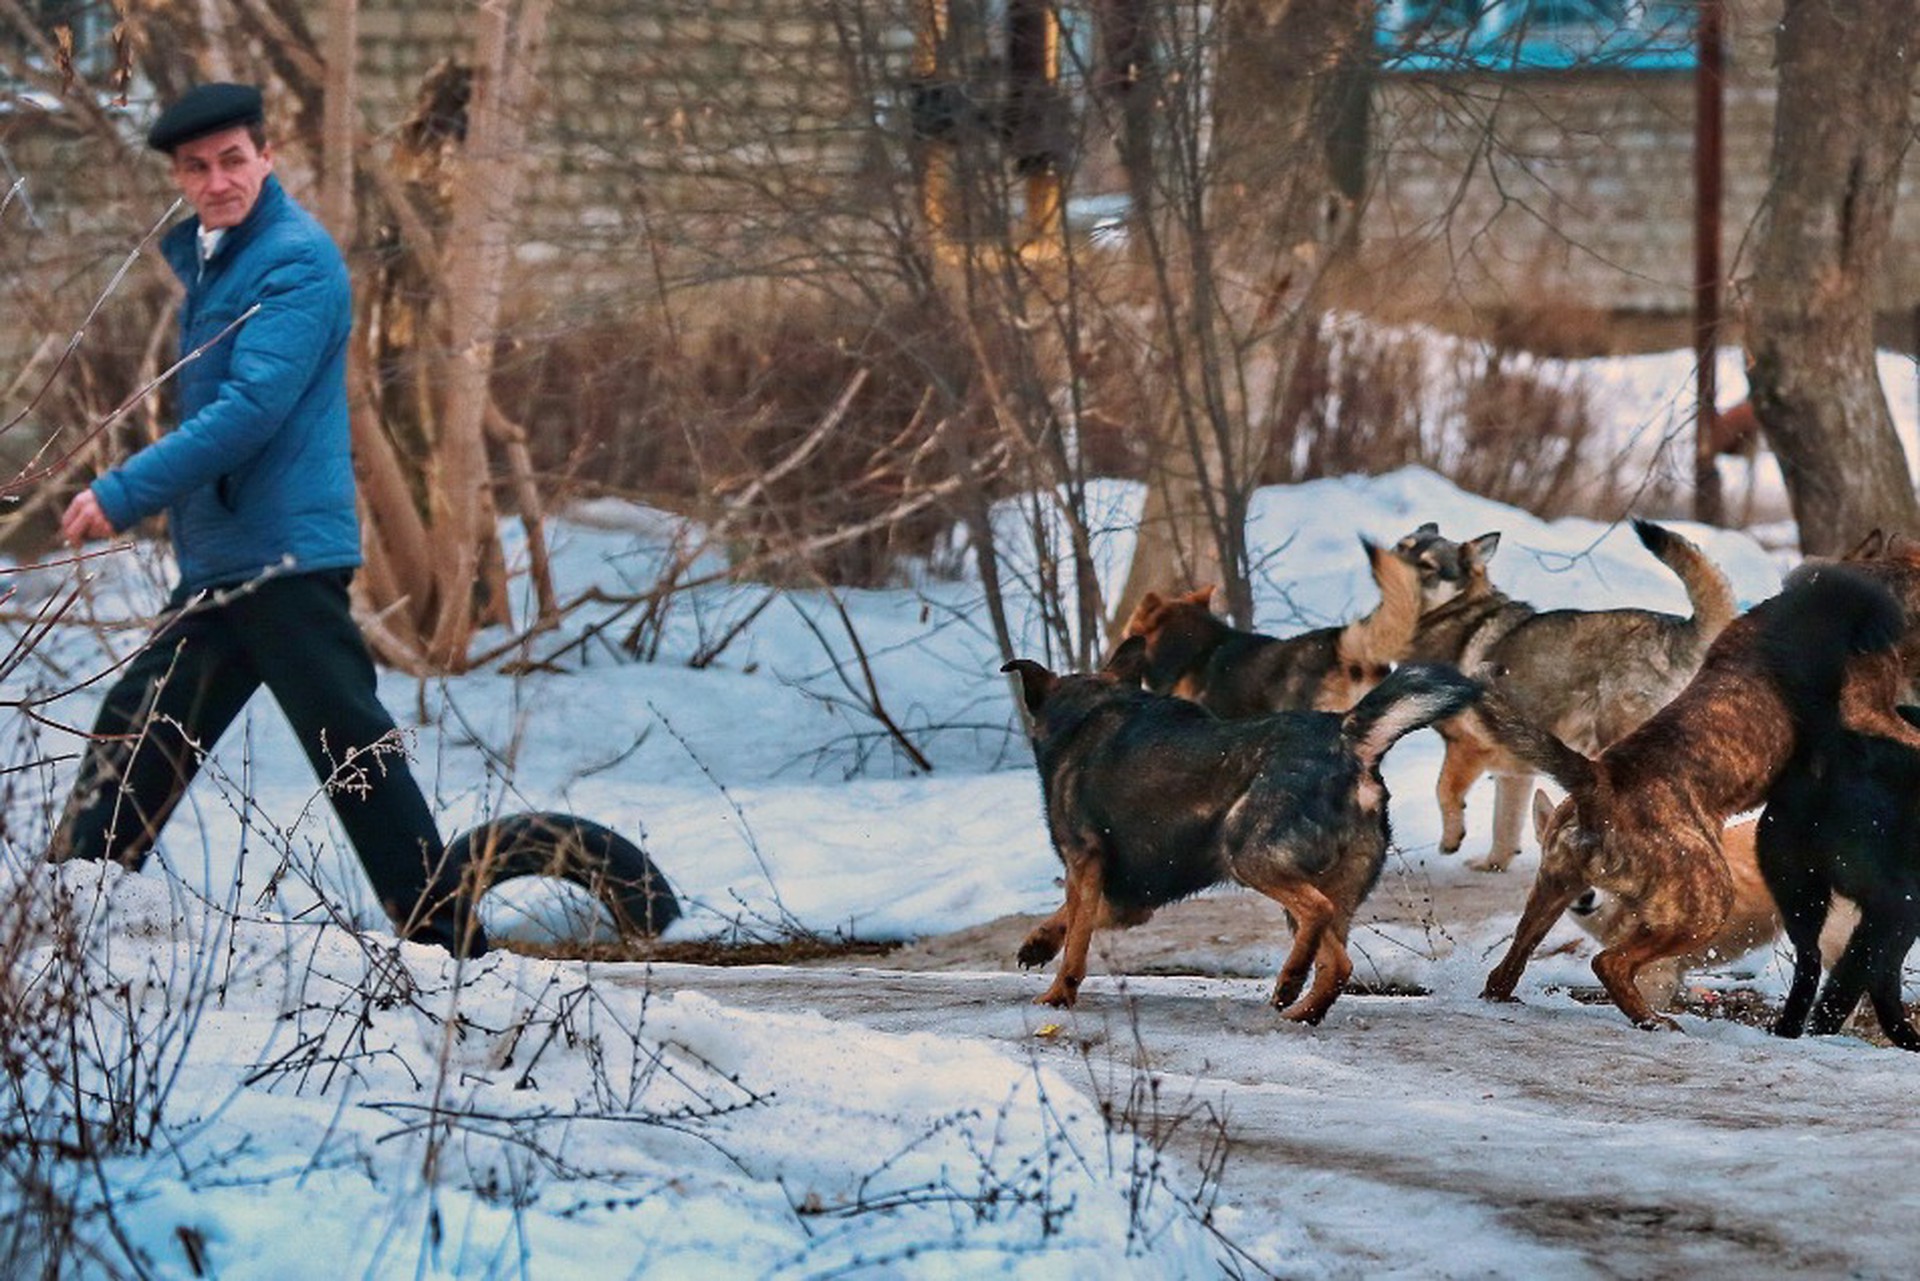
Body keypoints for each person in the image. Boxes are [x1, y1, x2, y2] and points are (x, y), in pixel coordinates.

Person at [52, 82, 488, 958]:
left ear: (266, 156)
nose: (217, 180)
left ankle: (457, 959)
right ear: (179, 175)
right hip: (231, 559)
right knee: (139, 735)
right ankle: (61, 936)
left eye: (233, 160)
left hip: (282, 561)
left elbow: (251, 410)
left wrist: (125, 490)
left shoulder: (292, 260)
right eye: (197, 167)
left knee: (356, 761)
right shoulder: (221, 259)